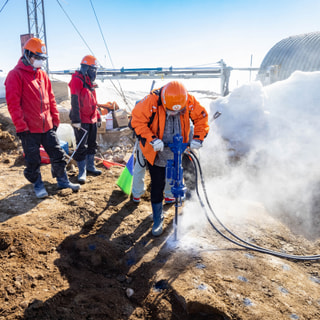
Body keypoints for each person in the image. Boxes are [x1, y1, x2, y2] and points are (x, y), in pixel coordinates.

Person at [130, 81, 209, 236]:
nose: (174, 113)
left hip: (182, 149)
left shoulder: (188, 100)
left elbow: (202, 118)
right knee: (158, 184)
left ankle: (191, 212)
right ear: (164, 101)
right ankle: (158, 218)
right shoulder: (150, 101)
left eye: (178, 111)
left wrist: (198, 138)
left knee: (191, 177)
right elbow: (137, 121)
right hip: (158, 150)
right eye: (170, 111)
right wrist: (152, 139)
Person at [5, 37, 80, 199]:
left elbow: (51, 99)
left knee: (58, 154)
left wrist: (55, 119)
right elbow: (13, 104)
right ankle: (38, 184)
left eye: (42, 58)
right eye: (37, 57)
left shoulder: (42, 75)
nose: (40, 61)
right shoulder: (15, 75)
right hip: (29, 128)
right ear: (27, 54)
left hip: (47, 126)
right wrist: (21, 127)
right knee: (33, 160)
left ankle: (63, 180)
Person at [69, 55, 102, 184]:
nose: (95, 72)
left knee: (92, 144)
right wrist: (76, 120)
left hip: (91, 119)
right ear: (87, 68)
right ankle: (82, 171)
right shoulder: (77, 80)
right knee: (81, 145)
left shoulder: (89, 82)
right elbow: (74, 100)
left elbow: (94, 101)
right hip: (81, 119)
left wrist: (98, 116)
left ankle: (90, 166)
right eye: (93, 69)